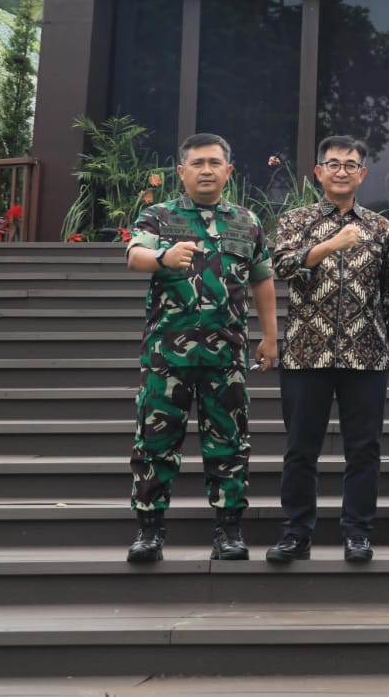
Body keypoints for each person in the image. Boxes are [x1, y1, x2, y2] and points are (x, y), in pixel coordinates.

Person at [123, 133, 277, 563]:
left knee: (229, 443)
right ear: (181, 171)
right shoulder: (158, 216)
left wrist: (270, 336)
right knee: (155, 443)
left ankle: (229, 531)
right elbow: (134, 256)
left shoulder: (247, 221)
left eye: (214, 163)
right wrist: (163, 258)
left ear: (229, 171)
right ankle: (149, 532)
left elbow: (262, 279)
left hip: (226, 354)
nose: (206, 170)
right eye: (197, 163)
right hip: (166, 356)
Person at [265, 135, 389, 564]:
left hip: (366, 354)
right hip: (307, 352)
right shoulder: (295, 220)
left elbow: (387, 292)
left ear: (363, 174)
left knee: (364, 450)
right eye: (334, 164)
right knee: (301, 449)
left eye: (350, 165)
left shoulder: (380, 227)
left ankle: (358, 533)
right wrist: (329, 245)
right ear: (318, 172)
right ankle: (296, 533)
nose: (342, 171)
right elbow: (282, 266)